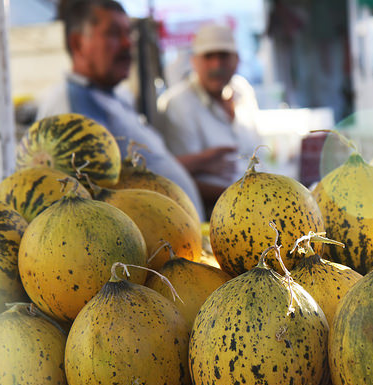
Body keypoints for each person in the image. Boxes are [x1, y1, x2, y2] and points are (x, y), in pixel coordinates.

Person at [36, 0, 205, 220]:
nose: (128, 44)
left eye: (129, 34)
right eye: (114, 34)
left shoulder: (112, 95)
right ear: (78, 43)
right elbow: (86, 198)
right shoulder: (70, 107)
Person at [156, 23, 262, 216]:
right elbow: (177, 181)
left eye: (223, 55)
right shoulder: (179, 103)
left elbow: (258, 153)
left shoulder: (243, 91)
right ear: (194, 61)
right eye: (209, 56)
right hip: (213, 216)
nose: (216, 65)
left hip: (257, 206)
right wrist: (245, 197)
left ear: (237, 59)